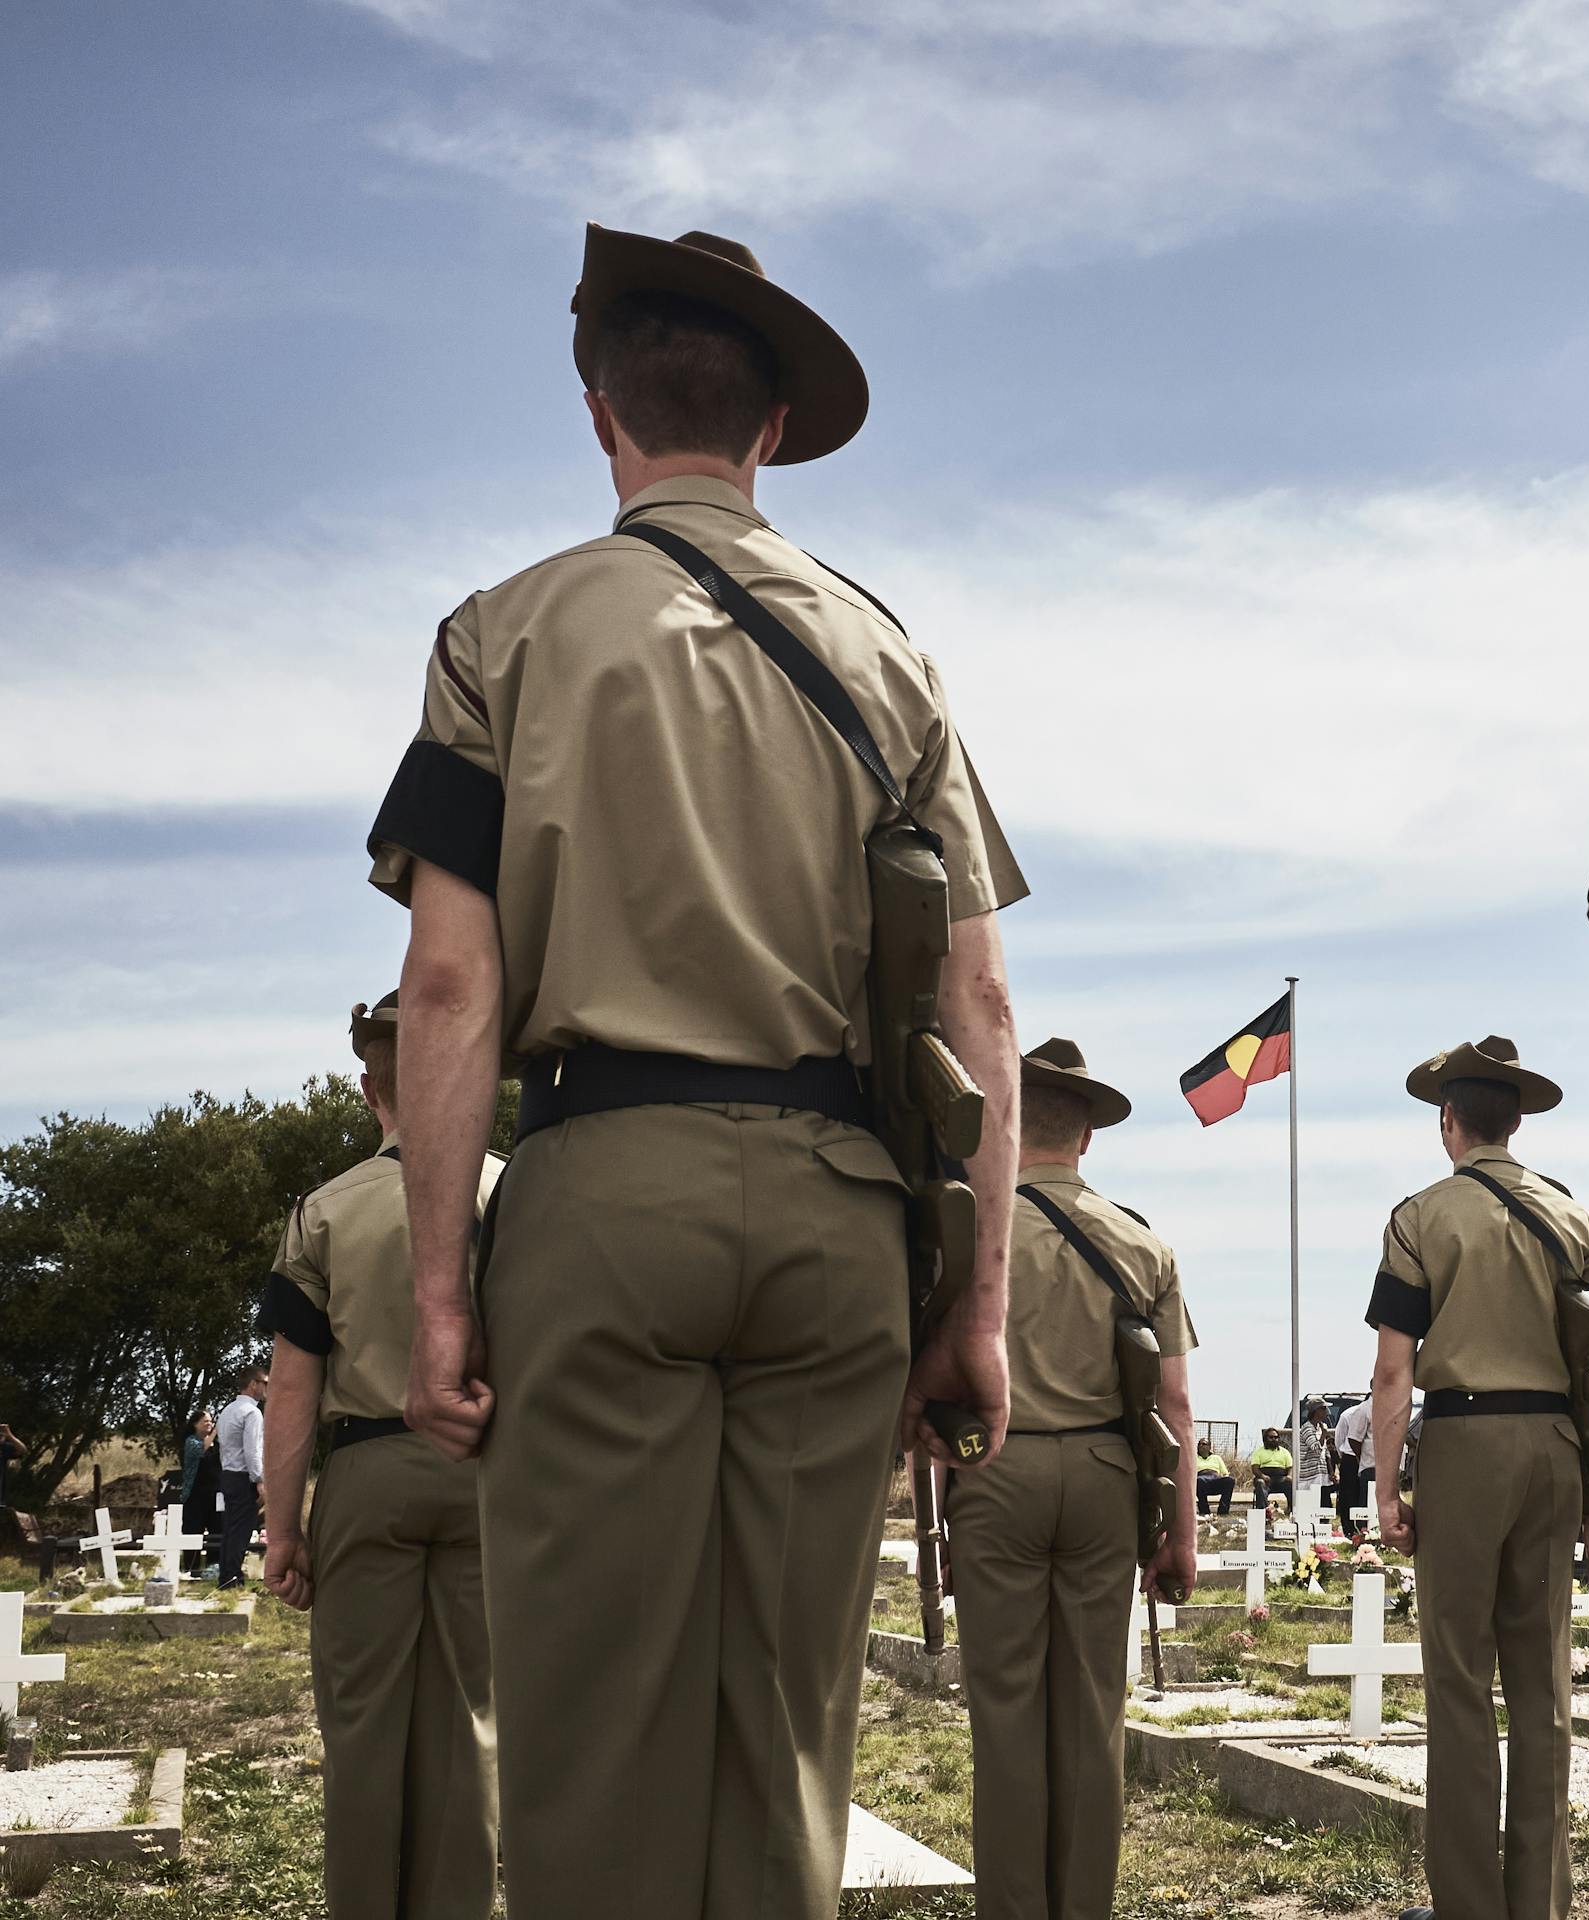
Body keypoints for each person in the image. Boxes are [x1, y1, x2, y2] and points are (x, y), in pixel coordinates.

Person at [366, 224, 1025, 1919]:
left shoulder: (503, 634)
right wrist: (982, 1313)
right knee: (789, 1741)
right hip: (839, 1217)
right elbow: (981, 1014)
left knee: (595, 1744)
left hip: (604, 1185)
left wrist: (437, 1288)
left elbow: (447, 985)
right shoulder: (895, 660)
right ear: (777, 428)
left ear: (602, 415)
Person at [1365, 1037, 1589, 1920]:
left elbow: (1393, 1372)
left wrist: (1386, 1489)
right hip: (1557, 1445)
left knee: (1457, 1682)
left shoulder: (1420, 1217)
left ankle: (1469, 1907)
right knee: (1543, 1687)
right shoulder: (1572, 1216)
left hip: (1467, 1443)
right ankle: (1541, 1905)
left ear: (1448, 1122)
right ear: (1516, 1123)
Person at [255, 992, 505, 1918]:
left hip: (366, 1469)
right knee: (471, 1725)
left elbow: (292, 1388)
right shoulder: (515, 1192)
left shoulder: (326, 1211)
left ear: (371, 1088)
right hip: (488, 1470)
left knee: (362, 1729)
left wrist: (284, 1529)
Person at [954, 1038, 1194, 1920]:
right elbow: (1173, 1403)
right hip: (1103, 1476)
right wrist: (1179, 1537)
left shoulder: (971, 1227)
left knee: (1006, 1718)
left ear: (1009, 1128)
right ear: (1088, 1136)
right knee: (1093, 1717)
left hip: (998, 1469)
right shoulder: (1142, 1240)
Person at [213, 1363, 268, 1589]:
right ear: (253, 1384)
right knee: (242, 1530)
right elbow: (252, 1450)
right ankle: (233, 1579)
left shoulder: (227, 1410)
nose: (267, 1388)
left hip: (228, 1474)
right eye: (265, 1383)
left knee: (230, 1529)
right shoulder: (252, 1413)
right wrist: (260, 1480)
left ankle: (227, 1576)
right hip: (243, 1476)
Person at [179, 1412, 217, 1575]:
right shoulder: (191, 1442)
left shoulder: (216, 1444)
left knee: (216, 1531)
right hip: (195, 1495)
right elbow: (202, 1449)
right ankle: (191, 1568)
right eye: (205, 1421)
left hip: (214, 1495)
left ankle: (213, 1567)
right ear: (195, 1424)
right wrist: (216, 1431)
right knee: (193, 1531)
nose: (209, 1424)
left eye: (211, 1421)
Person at [1333, 1393, 1375, 1536]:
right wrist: (1345, 1457)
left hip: (1369, 1459)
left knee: (1364, 1495)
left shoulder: (1378, 1411)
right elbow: (1340, 1438)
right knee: (1348, 1495)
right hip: (1351, 1457)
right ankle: (1349, 1529)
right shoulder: (1348, 1414)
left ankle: (1366, 1528)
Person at [1247, 1429, 1292, 1509]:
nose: (1274, 1439)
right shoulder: (1258, 1452)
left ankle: (1292, 1509)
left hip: (1281, 1479)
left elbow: (1290, 1467)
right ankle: (1263, 1511)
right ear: (1265, 1439)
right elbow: (1255, 1469)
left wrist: (1289, 1475)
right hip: (1265, 1478)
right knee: (1260, 1483)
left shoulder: (1285, 1452)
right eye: (1271, 1437)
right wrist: (1263, 1476)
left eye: (1276, 1437)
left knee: (1291, 1483)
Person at [1194, 1436, 1234, 1518]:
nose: (1201, 1446)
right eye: (1199, 1444)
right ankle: (1205, 1512)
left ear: (1209, 1447)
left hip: (1215, 1479)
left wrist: (1224, 1477)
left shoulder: (1216, 1458)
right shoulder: (1194, 1458)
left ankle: (1223, 1512)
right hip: (1202, 1480)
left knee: (1230, 1480)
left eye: (1204, 1444)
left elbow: (1225, 1473)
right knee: (1198, 1481)